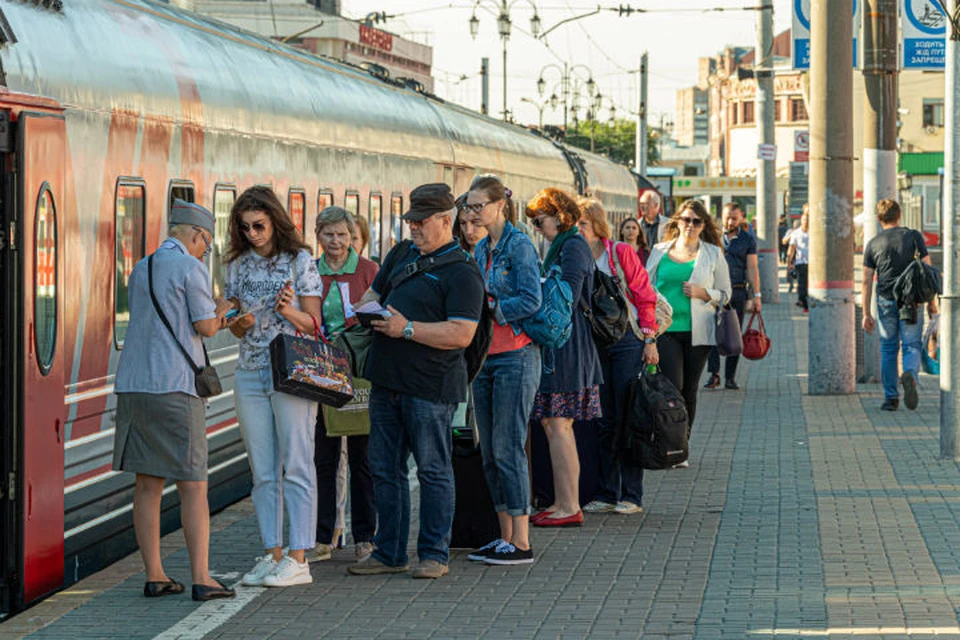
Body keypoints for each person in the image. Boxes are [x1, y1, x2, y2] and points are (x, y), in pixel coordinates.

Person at [347, 183, 485, 579]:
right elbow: (373, 292)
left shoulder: (463, 272)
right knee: (384, 469)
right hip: (385, 377)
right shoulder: (401, 253)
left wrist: (407, 330)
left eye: (421, 222)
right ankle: (389, 551)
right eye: (411, 221)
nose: (414, 229)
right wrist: (366, 310)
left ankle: (434, 554)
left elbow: (461, 334)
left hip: (431, 386)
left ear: (447, 221)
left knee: (432, 469)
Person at [112, 200, 236, 602]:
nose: (205, 251)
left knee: (147, 483)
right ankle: (202, 577)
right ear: (197, 236)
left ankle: (155, 574)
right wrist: (225, 312)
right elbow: (204, 327)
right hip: (176, 387)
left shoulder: (141, 267)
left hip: (134, 385)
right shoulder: (190, 268)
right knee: (193, 485)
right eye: (205, 244)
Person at [224, 186, 325, 588]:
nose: (253, 233)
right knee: (262, 470)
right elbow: (233, 322)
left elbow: (314, 324)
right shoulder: (236, 265)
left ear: (275, 220)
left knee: (297, 462)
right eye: (245, 227)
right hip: (249, 370)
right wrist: (239, 323)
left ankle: (300, 557)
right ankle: (272, 552)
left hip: (292, 370)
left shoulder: (299, 260)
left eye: (259, 225)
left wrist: (287, 310)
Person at [462, 175, 542, 566]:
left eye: (478, 206)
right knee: (491, 451)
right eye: (469, 207)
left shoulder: (519, 246)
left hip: (517, 356)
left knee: (509, 447)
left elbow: (532, 298)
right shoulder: (481, 250)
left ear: (499, 206)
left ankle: (522, 541)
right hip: (487, 359)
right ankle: (503, 536)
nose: (472, 214)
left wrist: (495, 309)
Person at [524, 188, 602, 528]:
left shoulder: (572, 246)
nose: (538, 227)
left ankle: (568, 505)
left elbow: (565, 297)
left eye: (540, 220)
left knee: (559, 423)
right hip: (565, 343)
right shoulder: (567, 244)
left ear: (559, 215)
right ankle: (562, 501)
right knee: (554, 424)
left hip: (567, 345)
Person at [578, 197, 659, 516]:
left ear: (598, 226)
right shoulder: (577, 256)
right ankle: (607, 491)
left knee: (628, 415)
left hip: (627, 340)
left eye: (582, 224)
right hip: (595, 342)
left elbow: (644, 296)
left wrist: (649, 339)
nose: (577, 230)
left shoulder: (620, 252)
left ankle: (632, 494)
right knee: (603, 418)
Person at [313, 207, 379, 562]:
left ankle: (365, 536)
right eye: (328, 235)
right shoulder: (310, 271)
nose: (335, 242)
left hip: (360, 371)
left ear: (351, 235)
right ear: (318, 236)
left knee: (362, 458)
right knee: (323, 456)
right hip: (323, 370)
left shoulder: (368, 271)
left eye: (341, 235)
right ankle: (325, 535)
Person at [646, 200, 731, 463]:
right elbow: (645, 287)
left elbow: (726, 294)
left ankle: (681, 447)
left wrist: (703, 293)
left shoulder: (713, 253)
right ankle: (667, 442)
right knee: (673, 387)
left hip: (699, 332)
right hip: (666, 330)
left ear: (703, 225)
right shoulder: (660, 251)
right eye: (685, 220)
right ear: (677, 222)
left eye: (696, 221)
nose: (690, 226)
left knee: (690, 390)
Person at [861, 198, 937, 411]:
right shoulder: (913, 237)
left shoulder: (873, 244)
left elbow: (866, 280)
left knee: (888, 347)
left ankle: (890, 398)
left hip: (885, 300)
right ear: (899, 215)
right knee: (911, 345)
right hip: (911, 300)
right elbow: (927, 271)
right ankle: (911, 376)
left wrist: (866, 313)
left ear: (879, 219)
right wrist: (932, 302)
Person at [705, 202, 761, 390]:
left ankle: (730, 377)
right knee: (713, 333)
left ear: (741, 218)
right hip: (714, 292)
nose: (730, 221)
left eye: (734, 218)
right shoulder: (712, 237)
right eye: (727, 217)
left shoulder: (747, 240)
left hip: (737, 291)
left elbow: (752, 268)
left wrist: (757, 295)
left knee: (734, 335)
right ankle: (714, 374)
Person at [787, 206, 810, 313]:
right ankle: (803, 302)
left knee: (809, 285)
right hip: (801, 262)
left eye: (807, 220)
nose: (805, 222)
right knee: (802, 283)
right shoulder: (796, 233)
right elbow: (792, 248)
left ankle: (806, 303)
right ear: (801, 221)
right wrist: (789, 262)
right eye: (804, 220)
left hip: (813, 263)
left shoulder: (814, 232)